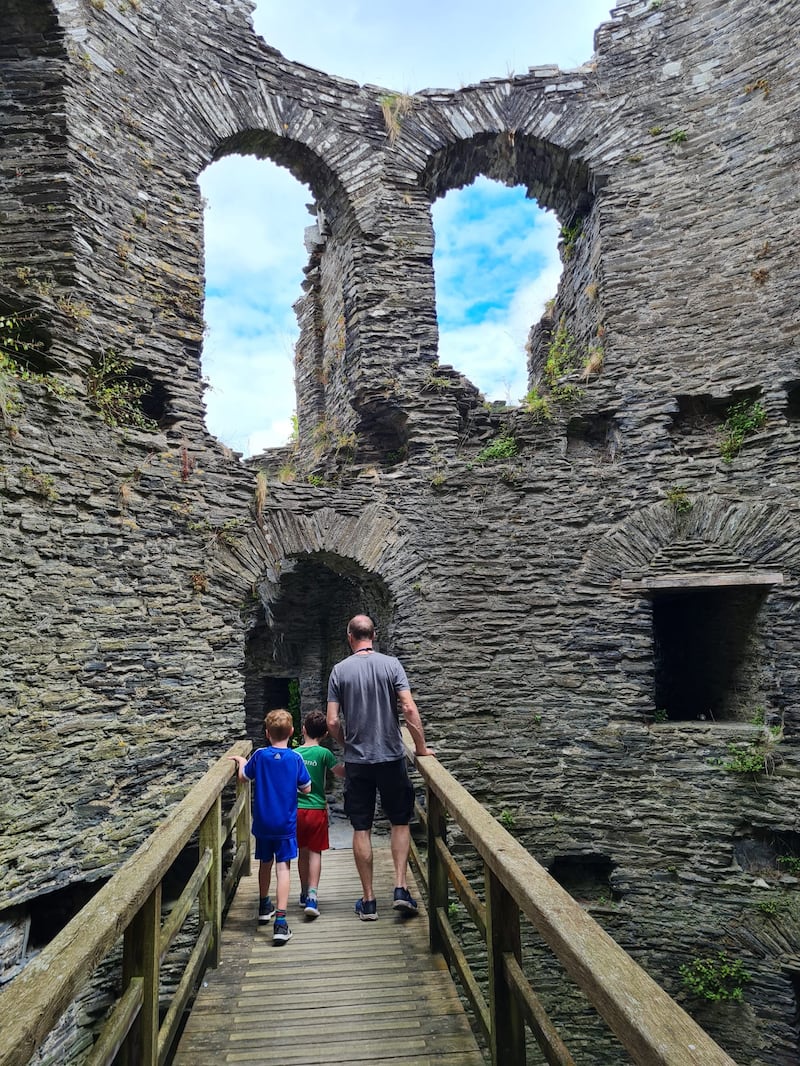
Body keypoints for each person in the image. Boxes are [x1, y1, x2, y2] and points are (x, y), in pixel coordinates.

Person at [326, 614, 434, 922]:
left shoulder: (339, 671)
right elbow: (409, 708)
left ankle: (369, 900)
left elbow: (332, 721)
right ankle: (400, 887)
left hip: (358, 762)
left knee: (362, 827)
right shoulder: (392, 665)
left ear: (350, 637)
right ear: (374, 635)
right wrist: (421, 748)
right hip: (390, 757)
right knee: (400, 821)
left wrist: (346, 744)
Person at [230, 708, 311, 946]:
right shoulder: (296, 759)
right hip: (285, 824)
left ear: (267, 733)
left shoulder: (260, 755)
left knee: (265, 864)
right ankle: (281, 923)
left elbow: (244, 776)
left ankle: (265, 905)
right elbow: (306, 787)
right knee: (283, 867)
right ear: (292, 732)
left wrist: (242, 761)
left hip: (263, 823)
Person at [295, 710, 346, 919]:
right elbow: (340, 772)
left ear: (303, 730)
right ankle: (313, 896)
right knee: (316, 852)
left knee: (302, 852)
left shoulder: (295, 754)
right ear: (325, 734)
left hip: (296, 810)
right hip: (317, 809)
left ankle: (303, 891)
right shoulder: (324, 754)